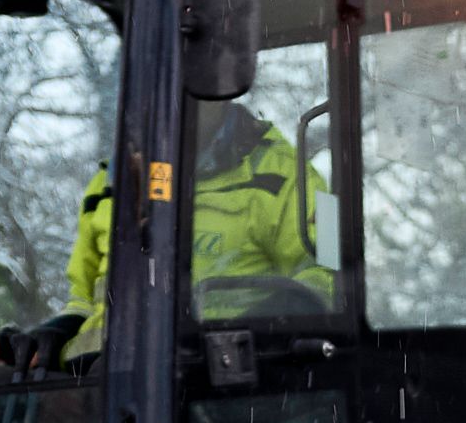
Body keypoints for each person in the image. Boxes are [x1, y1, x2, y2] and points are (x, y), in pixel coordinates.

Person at [52, 98, 329, 359]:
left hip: (225, 374)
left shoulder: (293, 176)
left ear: (222, 86)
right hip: (99, 376)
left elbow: (331, 276)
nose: (169, 98)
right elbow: (83, 297)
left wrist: (266, 323)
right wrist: (61, 329)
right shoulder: (106, 185)